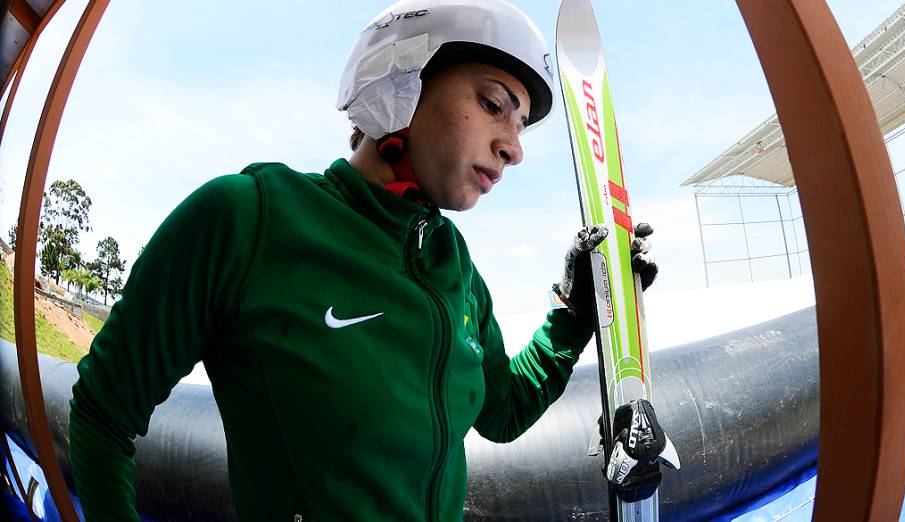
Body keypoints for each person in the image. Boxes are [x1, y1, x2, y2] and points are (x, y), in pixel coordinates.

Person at [68, 0, 660, 520]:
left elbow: (502, 412)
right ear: (401, 82)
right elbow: (103, 413)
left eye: (521, 123)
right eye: (492, 104)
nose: (515, 145)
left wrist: (577, 313)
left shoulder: (455, 268)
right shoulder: (249, 218)